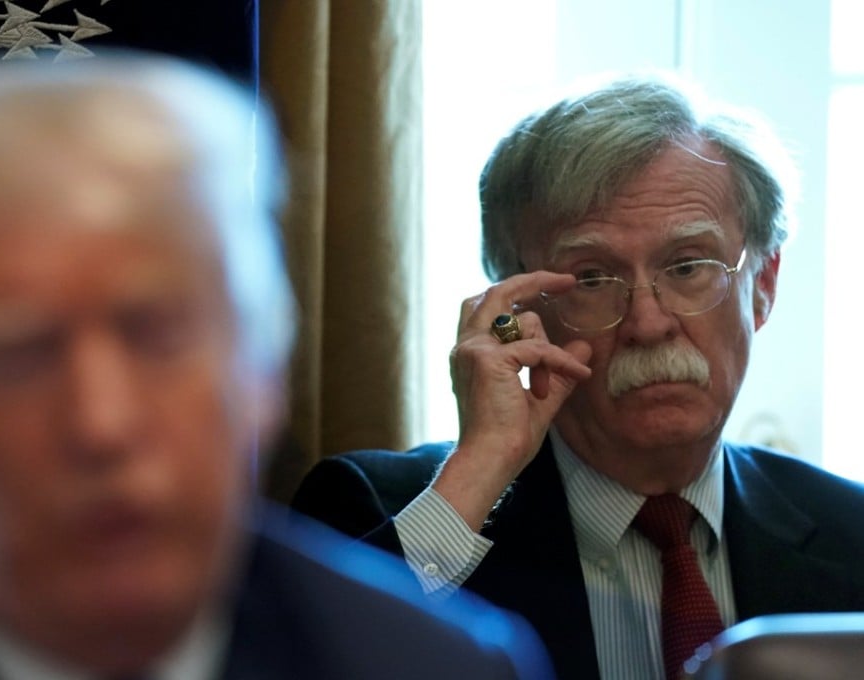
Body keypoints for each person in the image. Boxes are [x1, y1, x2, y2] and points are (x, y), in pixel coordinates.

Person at [0, 53, 556, 679]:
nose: (103, 423)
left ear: (262, 376)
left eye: (158, 336)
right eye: (21, 356)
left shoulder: (434, 666)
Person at [292, 75, 864, 680]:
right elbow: (298, 662)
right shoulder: (373, 508)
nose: (648, 323)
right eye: (591, 278)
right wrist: (483, 465)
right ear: (518, 313)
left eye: (688, 266)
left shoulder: (851, 533)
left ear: (764, 287)